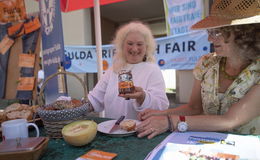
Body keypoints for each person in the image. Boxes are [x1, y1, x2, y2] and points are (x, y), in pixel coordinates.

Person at [136, 0, 260, 139]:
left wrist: (170, 122)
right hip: (206, 146)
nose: (209, 38)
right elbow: (194, 108)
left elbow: (230, 120)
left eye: (216, 32)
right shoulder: (206, 63)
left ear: (244, 34)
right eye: (210, 31)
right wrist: (160, 113)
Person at [87, 21, 169, 120]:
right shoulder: (113, 70)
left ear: (147, 47)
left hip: (139, 131)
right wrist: (75, 108)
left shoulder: (152, 69)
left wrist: (142, 97)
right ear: (122, 45)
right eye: (130, 43)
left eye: (139, 44)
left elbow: (162, 105)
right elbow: (95, 99)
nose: (134, 49)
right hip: (112, 130)